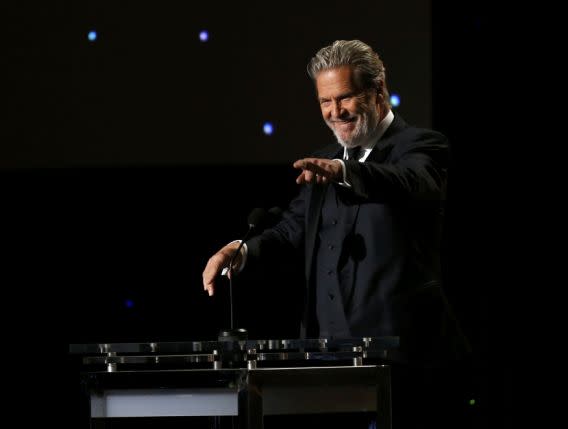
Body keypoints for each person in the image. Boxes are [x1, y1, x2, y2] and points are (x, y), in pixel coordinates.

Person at [202, 40, 471, 428]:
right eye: (325, 102)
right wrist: (242, 250)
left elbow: (410, 181)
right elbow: (294, 226)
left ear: (379, 90)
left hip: (402, 361)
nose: (335, 112)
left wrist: (346, 173)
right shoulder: (326, 158)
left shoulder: (420, 146)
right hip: (325, 358)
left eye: (345, 98)